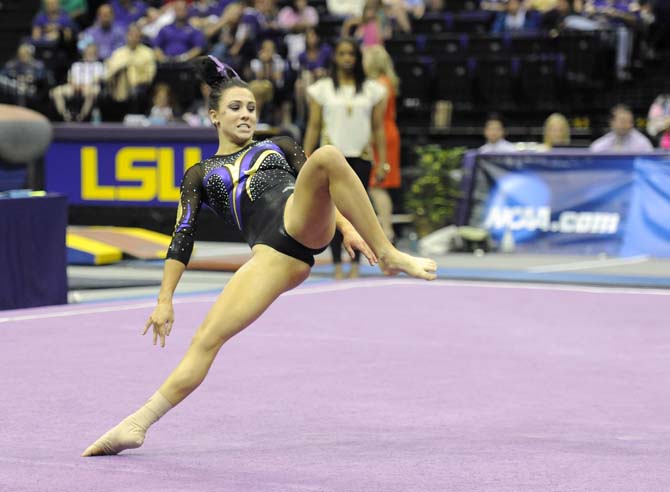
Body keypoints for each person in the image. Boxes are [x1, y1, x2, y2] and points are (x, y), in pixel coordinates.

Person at [80, 55, 436, 457]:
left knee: (328, 158)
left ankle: (388, 253)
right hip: (272, 255)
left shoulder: (279, 144)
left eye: (251, 108)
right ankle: (137, 424)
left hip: (298, 222)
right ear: (214, 116)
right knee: (205, 340)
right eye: (235, 108)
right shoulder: (200, 174)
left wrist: (350, 230)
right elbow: (182, 237)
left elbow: (322, 189)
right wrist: (165, 299)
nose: (246, 115)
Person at [303, 38, 388, 279]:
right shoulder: (323, 89)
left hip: (360, 156)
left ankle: (356, 263)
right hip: (331, 157)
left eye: (351, 54)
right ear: (335, 58)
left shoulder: (372, 90)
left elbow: (378, 128)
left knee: (359, 211)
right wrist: (305, 156)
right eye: (342, 54)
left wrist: (383, 161)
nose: (347, 58)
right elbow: (313, 125)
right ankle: (338, 263)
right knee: (333, 212)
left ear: (357, 58)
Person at [363, 45, 401, 243]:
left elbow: (376, 116)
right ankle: (385, 229)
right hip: (386, 130)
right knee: (377, 186)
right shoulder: (384, 82)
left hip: (381, 134)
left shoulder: (381, 84)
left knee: (377, 184)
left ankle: (387, 230)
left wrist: (369, 139)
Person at [50, 42, 105, 121]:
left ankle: (82, 116)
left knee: (92, 92)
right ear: (84, 53)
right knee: (55, 92)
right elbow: (70, 77)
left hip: (90, 87)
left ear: (95, 54)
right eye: (88, 52)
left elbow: (98, 78)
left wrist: (86, 85)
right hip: (74, 86)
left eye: (92, 52)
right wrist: (74, 84)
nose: (89, 54)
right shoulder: (76, 64)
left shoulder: (98, 65)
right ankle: (65, 115)